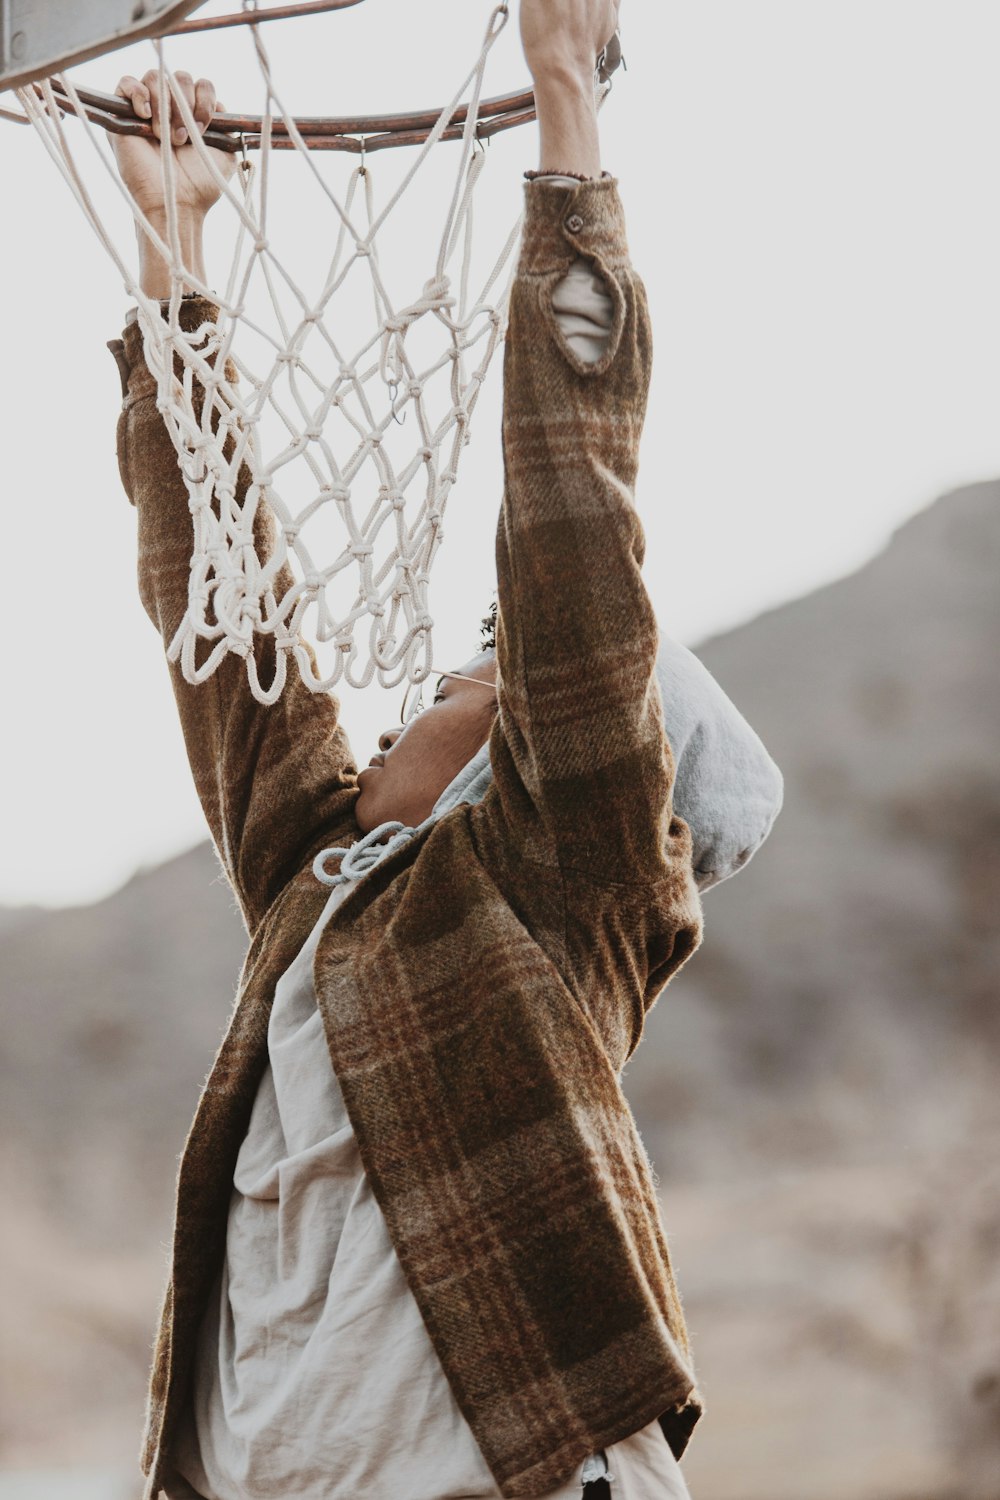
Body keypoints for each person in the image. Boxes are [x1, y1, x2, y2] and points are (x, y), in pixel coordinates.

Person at [107, 3, 783, 1497]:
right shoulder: (323, 881)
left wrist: (564, 108)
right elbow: (219, 609)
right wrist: (176, 252)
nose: (446, 677)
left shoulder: (566, 879)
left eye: (493, 667)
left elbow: (572, 510)